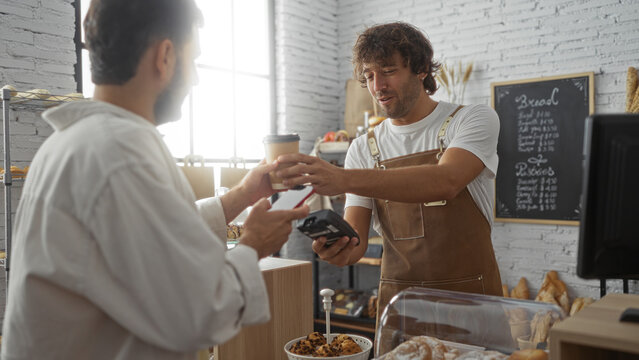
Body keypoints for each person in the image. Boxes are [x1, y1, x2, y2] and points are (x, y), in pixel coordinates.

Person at [0, 0, 308, 359]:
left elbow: (144, 236)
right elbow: (193, 310)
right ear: (165, 56)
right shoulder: (118, 153)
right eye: (192, 61)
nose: (193, 77)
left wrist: (240, 196)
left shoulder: (77, 142)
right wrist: (253, 245)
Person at [277, 22, 503, 323]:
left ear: (421, 68)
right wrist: (338, 249)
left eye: (388, 70)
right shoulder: (363, 148)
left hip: (474, 306)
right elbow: (355, 242)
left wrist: (343, 178)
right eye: (369, 75)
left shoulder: (471, 120)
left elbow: (446, 181)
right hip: (401, 310)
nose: (377, 86)